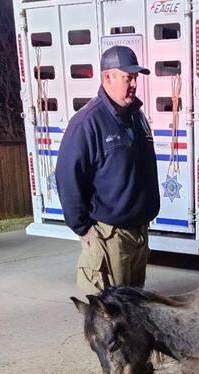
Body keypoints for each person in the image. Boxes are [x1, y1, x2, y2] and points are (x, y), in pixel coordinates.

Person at [55, 46, 159, 295]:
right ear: (107, 77)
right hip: (110, 236)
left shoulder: (137, 117)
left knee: (134, 312)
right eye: (127, 77)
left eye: (135, 77)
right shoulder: (87, 122)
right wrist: (83, 228)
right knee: (109, 319)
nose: (133, 83)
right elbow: (68, 178)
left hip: (139, 233)